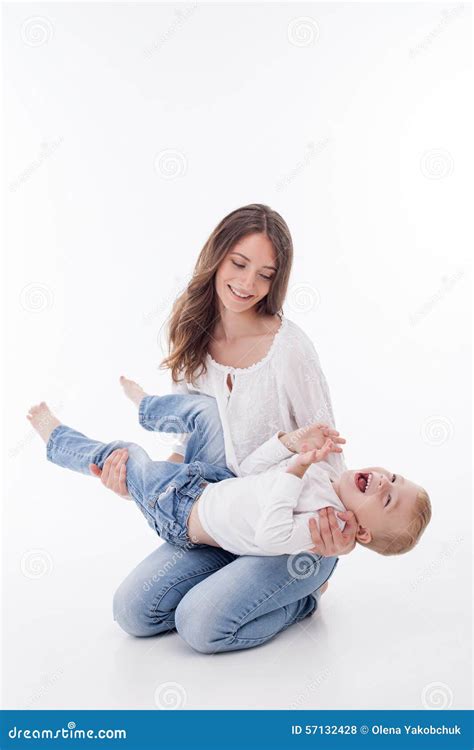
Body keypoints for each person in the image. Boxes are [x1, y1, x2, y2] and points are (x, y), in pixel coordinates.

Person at [78, 204, 360, 653]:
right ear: (217, 257)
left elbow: (328, 451)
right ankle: (237, 582)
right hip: (220, 517)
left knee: (201, 625)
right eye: (239, 264)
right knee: (133, 612)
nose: (248, 284)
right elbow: (184, 446)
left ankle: (305, 596)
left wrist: (336, 534)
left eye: (265, 274)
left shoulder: (289, 350)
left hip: (290, 530)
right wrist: (138, 485)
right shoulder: (192, 335)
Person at [28, 384, 431, 563]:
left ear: (361, 533)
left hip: (179, 513)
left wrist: (295, 469)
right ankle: (148, 406)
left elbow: (269, 535)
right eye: (392, 478)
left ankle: (57, 440)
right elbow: (249, 472)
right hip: (209, 482)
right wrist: (291, 444)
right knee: (204, 411)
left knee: (127, 455)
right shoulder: (325, 476)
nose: (382, 482)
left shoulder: (321, 524)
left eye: (387, 499)